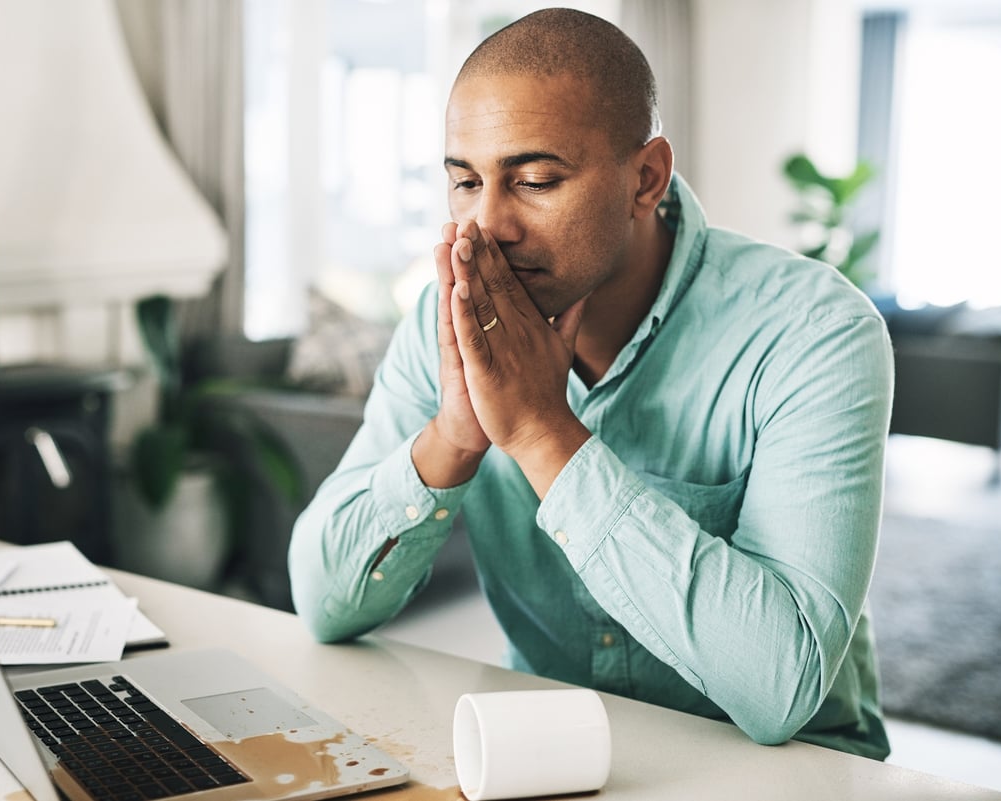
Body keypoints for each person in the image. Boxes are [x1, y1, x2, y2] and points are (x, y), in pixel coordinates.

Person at [288, 7, 893, 759]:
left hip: (797, 777)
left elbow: (782, 689)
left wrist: (545, 434)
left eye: (536, 179)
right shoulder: (447, 321)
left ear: (646, 178)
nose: (488, 224)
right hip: (555, 759)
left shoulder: (813, 329)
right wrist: (451, 438)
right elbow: (319, 604)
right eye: (466, 181)